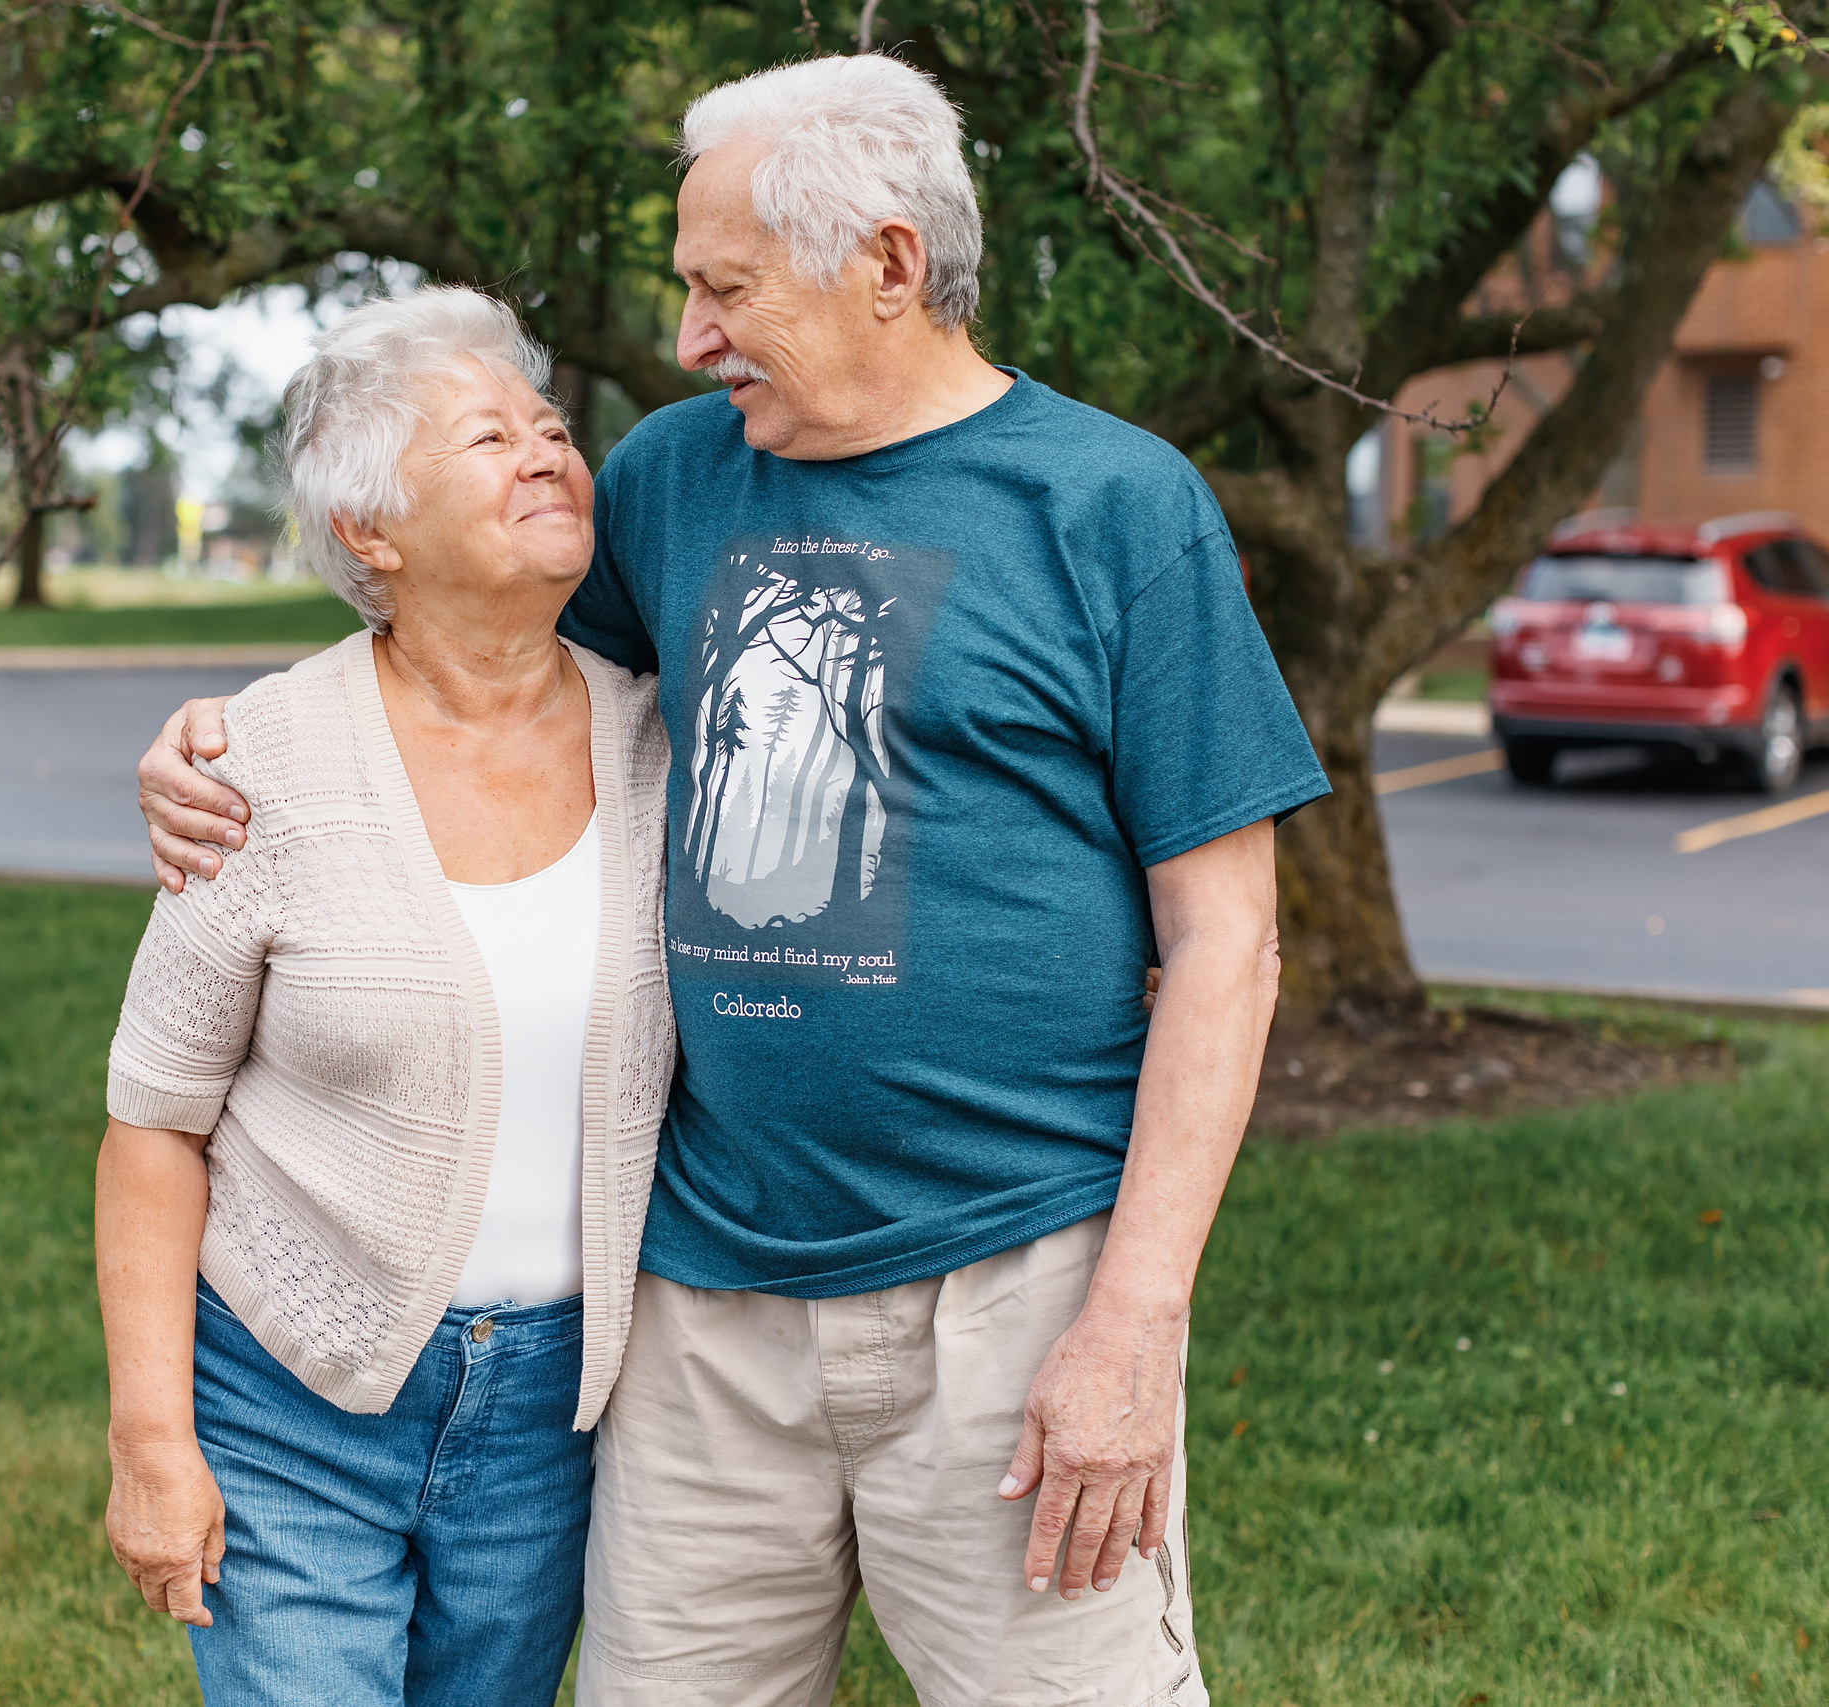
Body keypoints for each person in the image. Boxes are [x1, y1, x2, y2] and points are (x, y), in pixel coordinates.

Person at [137, 55, 1329, 1707]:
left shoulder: (1117, 507)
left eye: (726, 288)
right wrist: (228, 743)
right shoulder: (671, 480)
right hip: (702, 1304)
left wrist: (1134, 1321)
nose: (692, 339)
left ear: (889, 265)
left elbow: (1228, 941)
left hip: (1014, 1287)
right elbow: (476, 670)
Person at [93, 286, 673, 1707]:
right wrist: (151, 1442)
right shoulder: (257, 766)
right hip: (285, 1401)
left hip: (558, 1418)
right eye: (488, 437)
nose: (546, 450)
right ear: (371, 532)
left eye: (549, 425)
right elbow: (153, 1126)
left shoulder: (668, 746)